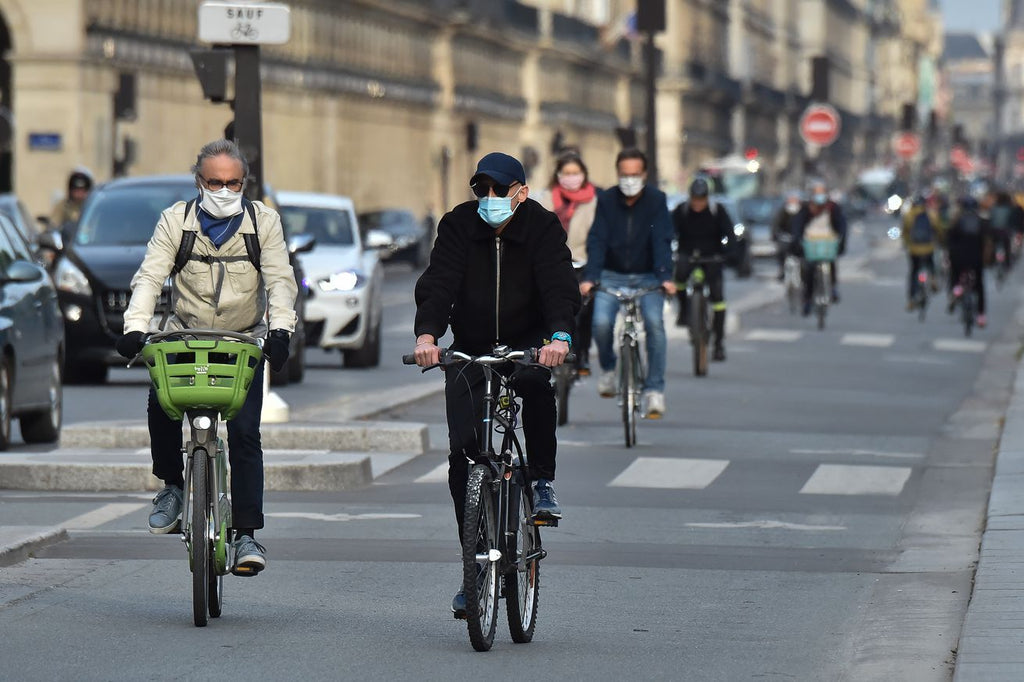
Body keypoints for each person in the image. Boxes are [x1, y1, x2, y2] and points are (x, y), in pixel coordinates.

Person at [114, 139, 297, 575]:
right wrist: (135, 327)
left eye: (233, 183)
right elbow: (150, 274)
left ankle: (248, 535)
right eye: (214, 182)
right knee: (160, 403)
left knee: (247, 434)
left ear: (244, 183)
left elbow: (281, 280)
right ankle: (173, 487)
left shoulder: (263, 223)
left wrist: (281, 331)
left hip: (241, 340)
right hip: (187, 334)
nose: (223, 190)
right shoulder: (176, 220)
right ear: (199, 180)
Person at [411, 151, 579, 617]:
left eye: (498, 191)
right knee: (462, 457)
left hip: (527, 344)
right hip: (471, 345)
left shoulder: (542, 227)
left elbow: (558, 284)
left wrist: (559, 337)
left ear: (520, 193)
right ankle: (475, 565)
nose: (488, 199)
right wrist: (428, 336)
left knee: (538, 391)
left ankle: (542, 480)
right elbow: (439, 281)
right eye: (480, 190)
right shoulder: (459, 224)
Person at [580, 148, 676, 418]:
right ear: (617, 174)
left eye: (635, 174)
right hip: (611, 274)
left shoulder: (657, 200)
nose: (630, 180)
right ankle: (609, 370)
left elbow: (662, 240)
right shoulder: (607, 199)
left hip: (648, 276)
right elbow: (597, 239)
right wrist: (591, 277)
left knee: (655, 326)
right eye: (625, 174)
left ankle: (654, 390)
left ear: (644, 174)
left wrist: (665, 277)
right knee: (600, 323)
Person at [536, 150, 599, 374]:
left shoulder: (593, 201)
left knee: (584, 312)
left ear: (583, 174)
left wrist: (592, 272)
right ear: (558, 175)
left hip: (582, 263)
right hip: (552, 263)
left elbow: (598, 238)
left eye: (575, 173)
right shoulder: (547, 199)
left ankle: (581, 355)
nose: (571, 177)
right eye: (566, 173)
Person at [671, 177, 733, 361]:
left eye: (702, 199)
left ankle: (719, 344)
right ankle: (684, 311)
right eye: (695, 199)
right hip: (687, 255)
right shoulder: (681, 211)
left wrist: (730, 253)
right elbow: (668, 231)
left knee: (718, 297)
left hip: (712, 257)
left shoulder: (717, 211)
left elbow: (729, 233)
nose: (698, 203)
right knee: (679, 278)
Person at [791, 180, 847, 316]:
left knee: (831, 262)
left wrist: (841, 240)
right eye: (817, 193)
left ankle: (832, 287)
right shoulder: (806, 208)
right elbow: (798, 225)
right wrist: (798, 240)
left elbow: (842, 225)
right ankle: (808, 299)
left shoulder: (833, 208)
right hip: (811, 242)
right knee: (808, 269)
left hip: (828, 240)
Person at [946, 195, 990, 327]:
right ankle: (981, 315)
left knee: (954, 273)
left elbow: (949, 239)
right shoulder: (981, 222)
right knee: (980, 286)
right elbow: (987, 241)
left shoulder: (957, 221)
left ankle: (956, 288)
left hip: (959, 258)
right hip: (976, 258)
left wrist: (950, 254)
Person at [901, 192, 942, 310]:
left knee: (914, 273)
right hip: (928, 247)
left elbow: (905, 232)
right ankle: (933, 279)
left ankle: (911, 299)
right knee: (930, 264)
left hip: (914, 249)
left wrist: (906, 243)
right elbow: (938, 229)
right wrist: (939, 240)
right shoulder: (931, 214)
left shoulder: (909, 215)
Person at [771, 190, 802, 281]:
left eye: (795, 199)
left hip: (798, 238)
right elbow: (776, 225)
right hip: (785, 238)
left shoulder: (802, 211)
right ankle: (782, 270)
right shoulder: (782, 211)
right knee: (782, 251)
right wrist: (776, 235)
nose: (793, 201)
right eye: (791, 199)